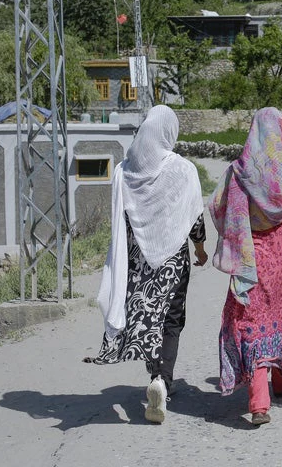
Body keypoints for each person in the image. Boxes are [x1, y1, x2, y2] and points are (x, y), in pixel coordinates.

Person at [86, 105, 208, 425]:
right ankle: (162, 381)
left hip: (139, 260)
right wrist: (201, 247)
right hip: (173, 260)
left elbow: (122, 219)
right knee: (171, 318)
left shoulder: (125, 170)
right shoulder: (183, 169)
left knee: (148, 317)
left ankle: (154, 375)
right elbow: (194, 215)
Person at [210, 107, 282, 426]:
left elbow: (218, 209)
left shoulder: (238, 172)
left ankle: (259, 403)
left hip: (249, 264)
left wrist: (243, 227)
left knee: (253, 324)